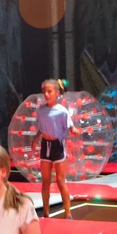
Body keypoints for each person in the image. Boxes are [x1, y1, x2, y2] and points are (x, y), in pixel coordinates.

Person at [32, 79, 80, 218]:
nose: (46, 94)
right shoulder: (41, 110)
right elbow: (41, 128)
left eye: (49, 91)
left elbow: (70, 127)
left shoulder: (62, 111)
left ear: (57, 93)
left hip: (57, 145)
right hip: (45, 146)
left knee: (60, 180)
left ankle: (68, 213)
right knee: (45, 182)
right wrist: (36, 138)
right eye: (44, 92)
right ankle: (46, 213)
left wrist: (74, 130)